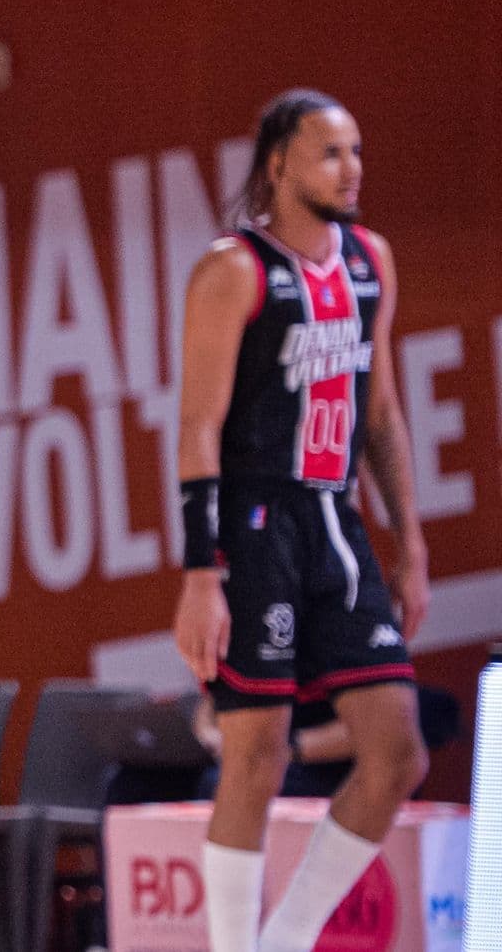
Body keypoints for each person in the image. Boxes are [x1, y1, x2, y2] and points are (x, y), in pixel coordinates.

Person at [174, 89, 430, 952]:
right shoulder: (234, 268)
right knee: (258, 752)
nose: (352, 168)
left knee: (398, 751)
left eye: (357, 150)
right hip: (254, 521)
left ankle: (284, 941)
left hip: (337, 517)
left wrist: (412, 542)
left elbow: (383, 414)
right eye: (330, 151)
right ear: (278, 162)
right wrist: (200, 573)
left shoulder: (372, 262)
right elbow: (197, 426)